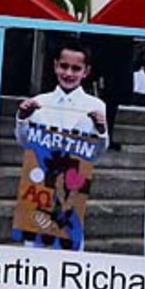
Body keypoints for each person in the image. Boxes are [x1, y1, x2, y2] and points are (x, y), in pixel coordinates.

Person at [14, 38, 108, 250]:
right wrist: (22, 119)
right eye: (64, 66)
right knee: (35, 245)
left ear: (86, 71)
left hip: (72, 184)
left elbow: (97, 152)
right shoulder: (40, 102)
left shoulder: (95, 106)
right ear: (55, 65)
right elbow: (24, 142)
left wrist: (101, 131)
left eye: (76, 68)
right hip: (41, 181)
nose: (68, 73)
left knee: (70, 243)